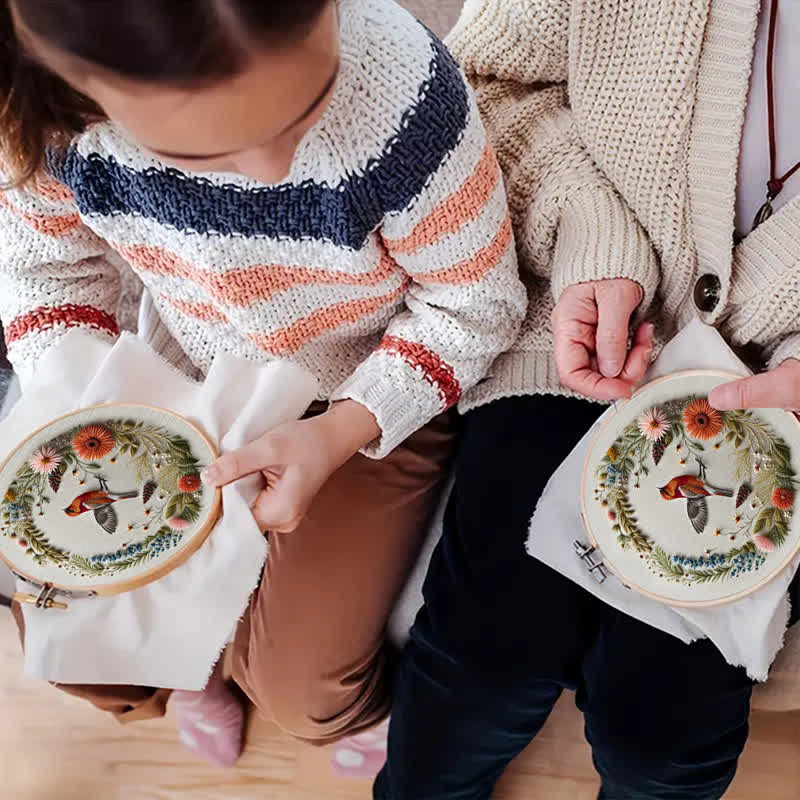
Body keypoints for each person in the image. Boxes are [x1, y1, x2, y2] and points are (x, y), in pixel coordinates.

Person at [0, 0, 525, 768]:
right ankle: (188, 674)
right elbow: (44, 275)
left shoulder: (402, 93)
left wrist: (343, 427)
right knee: (72, 626)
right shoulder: (45, 119)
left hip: (362, 384)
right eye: (206, 154)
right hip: (182, 370)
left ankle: (333, 706)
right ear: (75, 87)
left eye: (308, 109)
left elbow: (474, 306)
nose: (277, 171)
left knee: (306, 694)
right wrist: (82, 402)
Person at [374, 0, 800, 797]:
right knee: (478, 667)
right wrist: (588, 231)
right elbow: (475, 84)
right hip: (572, 339)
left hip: (782, 428)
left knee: (662, 741)